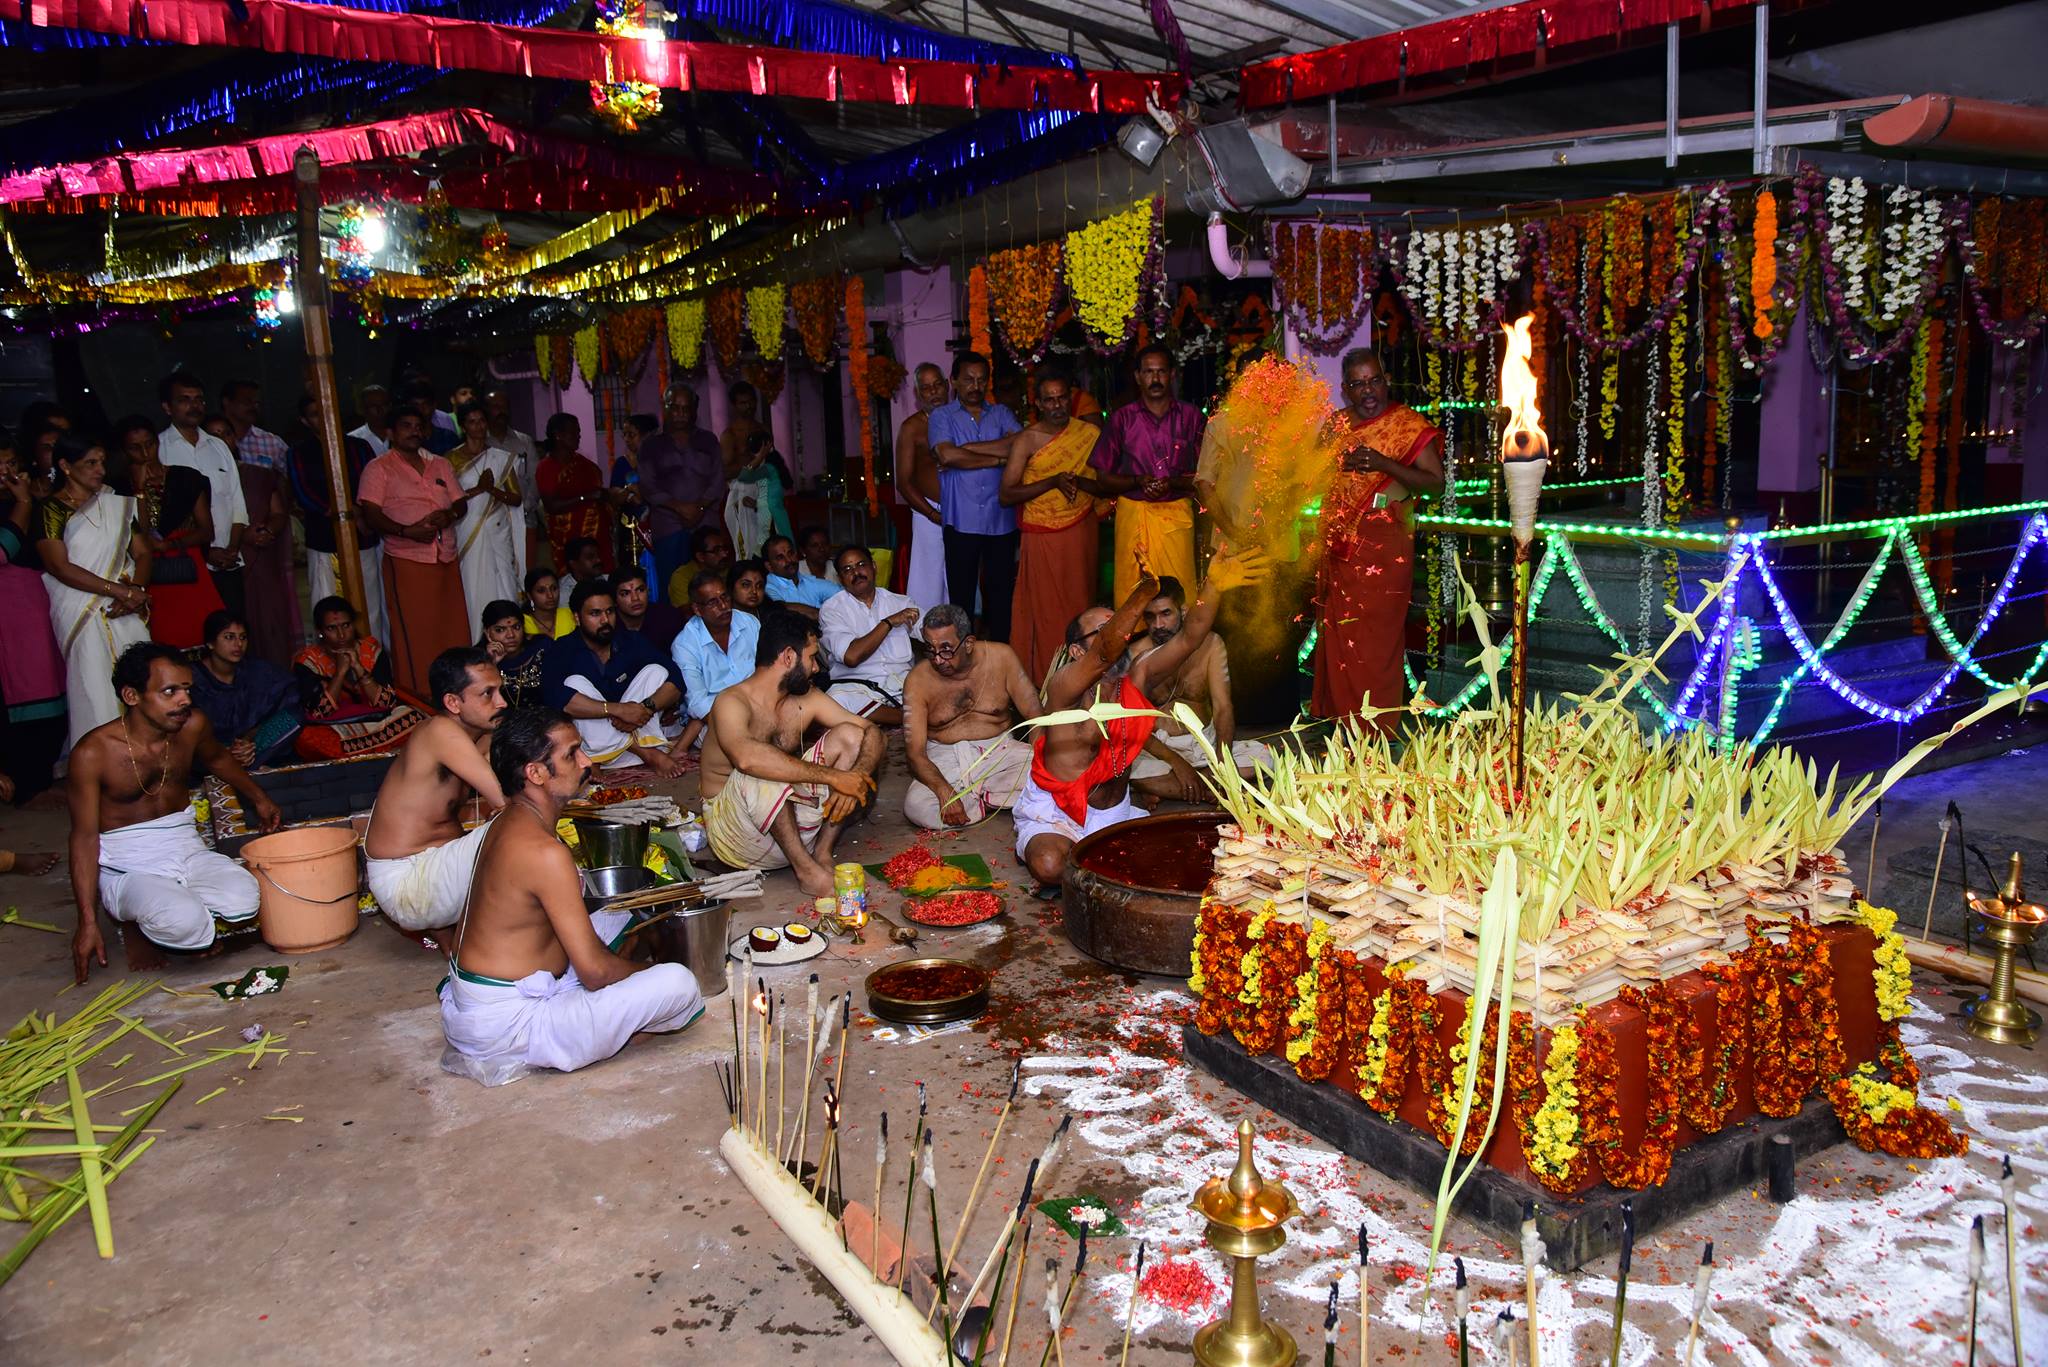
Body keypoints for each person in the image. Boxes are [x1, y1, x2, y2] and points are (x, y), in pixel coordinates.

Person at [438, 707, 702, 1082]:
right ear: (536, 773)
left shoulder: (504, 821)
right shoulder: (545, 853)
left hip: (477, 1001)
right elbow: (594, 972)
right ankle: (616, 1031)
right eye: (572, 754)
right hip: (508, 1025)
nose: (586, 762)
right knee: (678, 984)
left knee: (620, 915)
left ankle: (612, 1018)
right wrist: (647, 972)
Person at [1016, 549, 1264, 890]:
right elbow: (1103, 652)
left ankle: (1095, 867)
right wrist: (1144, 590)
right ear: (1076, 651)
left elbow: (1191, 636)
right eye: (1105, 630)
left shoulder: (1136, 677)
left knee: (1184, 863)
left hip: (1112, 816)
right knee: (1049, 863)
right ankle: (1092, 865)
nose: (1121, 636)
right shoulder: (1063, 690)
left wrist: (1214, 587)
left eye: (1122, 627)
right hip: (1056, 815)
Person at [66, 643, 281, 982]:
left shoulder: (191, 725)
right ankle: (137, 924)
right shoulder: (93, 753)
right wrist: (87, 923)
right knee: (181, 922)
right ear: (132, 695)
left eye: (186, 689)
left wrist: (259, 797)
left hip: (185, 849)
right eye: (170, 691)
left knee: (244, 901)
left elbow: (216, 758)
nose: (184, 700)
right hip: (127, 866)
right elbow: (84, 836)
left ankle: (192, 925)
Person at [701, 610, 883, 895]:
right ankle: (807, 872)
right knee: (760, 762)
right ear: (788, 656)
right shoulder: (731, 702)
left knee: (852, 736)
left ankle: (821, 852)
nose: (816, 669)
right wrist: (835, 778)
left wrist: (855, 777)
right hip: (738, 841)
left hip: (789, 830)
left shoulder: (806, 697)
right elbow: (747, 759)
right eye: (811, 657)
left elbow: (872, 731)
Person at [1313, 347, 1445, 727]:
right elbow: (1312, 476)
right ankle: (1342, 723)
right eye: (1358, 384)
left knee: (1377, 641)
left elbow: (1436, 485)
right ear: (1346, 389)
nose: (1368, 391)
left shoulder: (1407, 424)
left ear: (1385, 382)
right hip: (1341, 545)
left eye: (1374, 381)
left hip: (1386, 548)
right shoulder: (1337, 426)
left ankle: (1378, 727)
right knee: (1340, 636)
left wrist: (1384, 463)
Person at [363, 646, 509, 936]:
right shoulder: (438, 731)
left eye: (500, 691)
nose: (502, 702)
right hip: (407, 882)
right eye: (487, 694)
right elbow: (506, 802)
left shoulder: (478, 736)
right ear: (453, 702)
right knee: (521, 825)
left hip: (427, 875)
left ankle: (455, 943)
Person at [37, 434, 154, 748]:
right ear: (65, 466)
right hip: (83, 611)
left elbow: (142, 553)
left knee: (142, 678)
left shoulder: (115, 504)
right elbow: (59, 566)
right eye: (89, 463)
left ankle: (151, 757)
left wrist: (135, 591)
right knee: (93, 685)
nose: (99, 469)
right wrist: (118, 591)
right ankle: (103, 764)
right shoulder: (51, 509)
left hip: (126, 609)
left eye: (101, 462)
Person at [358, 410, 475, 698]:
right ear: (390, 432)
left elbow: (461, 504)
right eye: (405, 425)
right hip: (407, 558)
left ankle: (458, 691)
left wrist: (448, 516)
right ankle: (419, 696)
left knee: (453, 627)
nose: (413, 431)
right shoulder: (379, 467)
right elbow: (370, 513)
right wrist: (404, 531)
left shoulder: (440, 464)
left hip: (445, 556)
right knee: (416, 633)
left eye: (417, 426)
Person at [1125, 578, 1272, 804]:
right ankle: (1210, 788)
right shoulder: (1136, 655)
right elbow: (1132, 723)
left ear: (1183, 611)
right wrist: (1177, 762)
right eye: (1150, 617)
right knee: (1122, 767)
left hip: (1204, 744)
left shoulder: (1211, 644)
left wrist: (1224, 761)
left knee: (1264, 758)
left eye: (1166, 614)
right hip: (1159, 750)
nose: (1158, 625)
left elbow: (1223, 707)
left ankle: (1177, 787)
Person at [999, 369, 1102, 682]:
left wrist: (1078, 483)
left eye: (1062, 398)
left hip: (1081, 528)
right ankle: (1050, 683)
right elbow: (1006, 494)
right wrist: (1052, 482)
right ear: (1038, 403)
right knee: (1047, 614)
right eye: (1050, 400)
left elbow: (1106, 482)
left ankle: (1086, 678)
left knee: (1081, 603)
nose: (1057, 405)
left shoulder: (1088, 433)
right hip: (1042, 535)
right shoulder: (1027, 439)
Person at [901, 603, 1039, 829]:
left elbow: (1035, 715)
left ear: (968, 643)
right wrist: (943, 791)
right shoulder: (918, 680)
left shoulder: (1002, 657)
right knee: (918, 807)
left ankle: (976, 800)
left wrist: (1042, 765)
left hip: (1001, 752)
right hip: (945, 759)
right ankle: (995, 799)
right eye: (930, 649)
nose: (937, 659)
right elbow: (915, 754)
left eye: (946, 649)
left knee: (1055, 778)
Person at [1088, 344, 1206, 605]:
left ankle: (1179, 645)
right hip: (1134, 516)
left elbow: (1205, 475)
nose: (1155, 379)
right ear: (1138, 376)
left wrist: (1171, 483)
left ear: (1172, 374)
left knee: (1180, 595)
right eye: (1149, 372)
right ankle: (1134, 645)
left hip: (1175, 517)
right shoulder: (1122, 420)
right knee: (1133, 596)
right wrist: (1136, 481)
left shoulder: (1192, 418)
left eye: (1161, 372)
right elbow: (1102, 477)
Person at [540, 577, 688, 776]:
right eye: (595, 614)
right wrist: (616, 710)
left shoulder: (630, 640)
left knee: (657, 671)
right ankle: (644, 752)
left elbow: (676, 679)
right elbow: (555, 698)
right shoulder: (562, 649)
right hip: (590, 741)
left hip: (634, 727)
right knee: (573, 683)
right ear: (576, 618)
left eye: (609, 612)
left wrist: (644, 708)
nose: (604, 620)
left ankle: (620, 751)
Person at [107, 415, 224, 652]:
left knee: (203, 636)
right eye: (135, 448)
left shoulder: (186, 478)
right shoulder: (116, 488)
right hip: (146, 571)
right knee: (162, 640)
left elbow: (206, 531)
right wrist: (139, 490)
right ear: (124, 451)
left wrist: (169, 546)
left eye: (149, 444)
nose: (144, 452)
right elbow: (133, 531)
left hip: (186, 565)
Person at [930, 351, 1023, 642]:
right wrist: (998, 458)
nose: (975, 386)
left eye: (982, 380)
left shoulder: (1002, 413)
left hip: (1001, 520)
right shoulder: (941, 416)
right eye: (968, 379)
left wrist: (969, 448)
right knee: (962, 599)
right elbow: (946, 453)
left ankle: (1001, 656)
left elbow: (1021, 446)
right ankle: (963, 658)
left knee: (1001, 595)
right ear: (954, 381)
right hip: (961, 521)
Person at [289, 395, 389, 647]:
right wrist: (342, 511)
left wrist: (359, 512)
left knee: (369, 603)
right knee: (325, 602)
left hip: (362, 537)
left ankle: (371, 659)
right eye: (314, 414)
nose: (322, 419)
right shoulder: (299, 452)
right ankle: (331, 666)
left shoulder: (359, 447)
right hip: (323, 538)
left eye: (327, 411)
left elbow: (373, 487)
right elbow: (302, 493)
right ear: (304, 420)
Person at [0, 440, 67, 803]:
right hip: (11, 618)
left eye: (12, 462)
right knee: (23, 697)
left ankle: (40, 780)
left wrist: (33, 501)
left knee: (51, 695)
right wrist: (24, 504)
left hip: (40, 606)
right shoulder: (18, 506)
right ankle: (27, 785)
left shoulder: (37, 499)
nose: (8, 473)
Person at [157, 370, 249, 615]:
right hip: (185, 562)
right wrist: (208, 553)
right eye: (184, 399)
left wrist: (231, 549)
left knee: (233, 634)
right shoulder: (159, 449)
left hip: (228, 562)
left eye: (198, 399)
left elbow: (237, 504)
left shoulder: (218, 446)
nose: (194, 406)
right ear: (167, 407)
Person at [292, 595, 426, 760]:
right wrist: (340, 672)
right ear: (320, 632)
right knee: (306, 737)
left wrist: (358, 668)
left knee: (414, 716)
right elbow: (319, 713)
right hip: (337, 729)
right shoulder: (308, 661)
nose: (341, 635)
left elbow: (387, 703)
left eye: (346, 626)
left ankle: (358, 753)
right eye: (331, 628)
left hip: (375, 723)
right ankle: (379, 749)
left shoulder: (370, 650)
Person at [633, 384, 726, 594]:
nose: (681, 414)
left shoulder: (708, 440)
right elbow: (648, 486)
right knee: (673, 586)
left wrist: (699, 508)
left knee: (711, 585)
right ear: (665, 408)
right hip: (669, 526)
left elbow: (718, 480)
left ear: (694, 411)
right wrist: (679, 507)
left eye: (686, 408)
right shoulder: (650, 445)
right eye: (675, 408)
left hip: (706, 526)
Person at [818, 544, 921, 725]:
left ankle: (898, 715)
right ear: (840, 578)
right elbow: (851, 657)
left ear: (874, 567)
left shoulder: (901, 602)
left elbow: (931, 628)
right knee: (834, 700)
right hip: (859, 690)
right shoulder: (832, 610)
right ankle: (910, 718)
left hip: (904, 685)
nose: (856, 572)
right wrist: (888, 623)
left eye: (861, 565)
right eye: (848, 569)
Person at [190, 609, 301, 768]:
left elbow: (289, 695)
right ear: (210, 643)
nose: (238, 644)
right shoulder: (192, 678)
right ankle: (237, 767)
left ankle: (249, 764)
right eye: (229, 637)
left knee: (293, 717)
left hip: (252, 746)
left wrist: (248, 740)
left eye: (243, 637)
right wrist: (227, 751)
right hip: (212, 751)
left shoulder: (257, 670)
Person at [230, 425, 301, 668]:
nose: (220, 440)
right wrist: (241, 536)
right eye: (213, 435)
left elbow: (278, 512)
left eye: (225, 433)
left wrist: (267, 531)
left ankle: (279, 679)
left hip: (262, 555)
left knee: (271, 619)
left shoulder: (257, 474)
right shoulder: (204, 478)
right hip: (228, 559)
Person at [448, 399, 524, 625]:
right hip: (468, 531)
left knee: (505, 584)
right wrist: (478, 489)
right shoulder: (450, 459)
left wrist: (491, 490)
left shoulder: (500, 457)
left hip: (498, 531)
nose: (478, 426)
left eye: (481, 421)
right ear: (463, 426)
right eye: (472, 422)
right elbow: (448, 500)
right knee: (474, 587)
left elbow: (516, 497)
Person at [671, 569, 758, 752]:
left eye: (725, 597)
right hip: (715, 719)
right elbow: (697, 702)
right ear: (697, 609)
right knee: (738, 742)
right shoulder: (685, 644)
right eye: (713, 602)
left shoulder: (749, 623)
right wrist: (738, 720)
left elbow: (769, 669)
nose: (723, 605)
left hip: (761, 707)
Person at [894, 362, 952, 610]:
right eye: (926, 388)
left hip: (961, 510)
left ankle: (961, 633)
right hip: (929, 512)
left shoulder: (960, 419)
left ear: (947, 386)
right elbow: (903, 482)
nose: (934, 392)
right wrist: (932, 514)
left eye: (938, 384)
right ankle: (925, 639)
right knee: (928, 582)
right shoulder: (912, 427)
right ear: (918, 395)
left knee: (960, 577)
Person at [537, 413, 611, 575]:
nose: (578, 436)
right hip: (570, 538)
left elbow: (598, 492)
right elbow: (551, 506)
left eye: (579, 431)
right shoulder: (547, 467)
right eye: (573, 432)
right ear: (558, 435)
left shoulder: (585, 464)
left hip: (598, 536)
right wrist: (586, 497)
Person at [482, 388, 540, 584]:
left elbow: (535, 479)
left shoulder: (523, 442)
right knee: (500, 578)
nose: (501, 411)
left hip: (524, 520)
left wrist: (523, 510)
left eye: (504, 407)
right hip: (492, 524)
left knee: (526, 576)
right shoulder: (480, 443)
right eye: (495, 407)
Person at [725, 427, 791, 560]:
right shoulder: (765, 468)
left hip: (769, 521)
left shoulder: (769, 467)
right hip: (762, 519)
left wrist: (761, 455)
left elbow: (745, 476)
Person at [478, 599, 548, 709]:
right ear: (488, 633)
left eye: (516, 627)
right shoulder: (476, 661)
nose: (510, 635)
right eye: (500, 630)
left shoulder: (541, 648)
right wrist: (491, 664)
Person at [612, 562, 686, 656]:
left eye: (640, 590)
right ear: (614, 600)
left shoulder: (669, 617)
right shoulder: (608, 625)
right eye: (625, 593)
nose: (635, 598)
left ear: (648, 591)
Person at [758, 533, 839, 618]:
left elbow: (844, 596)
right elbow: (781, 608)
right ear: (769, 566)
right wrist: (825, 616)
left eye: (790, 553)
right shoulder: (766, 587)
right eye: (780, 557)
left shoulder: (810, 582)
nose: (789, 560)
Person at [220, 379, 290, 473]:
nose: (253, 407)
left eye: (257, 403)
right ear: (227, 402)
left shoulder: (272, 443)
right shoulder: (210, 438)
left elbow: (290, 478)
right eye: (247, 402)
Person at [666, 525, 737, 607]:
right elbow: (686, 614)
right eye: (716, 550)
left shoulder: (727, 570)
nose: (724, 554)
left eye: (724, 548)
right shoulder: (682, 577)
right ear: (701, 557)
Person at [719, 380, 766, 477]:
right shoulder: (730, 435)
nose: (748, 406)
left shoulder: (764, 429)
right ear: (734, 406)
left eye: (751, 401)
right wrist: (752, 466)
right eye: (743, 403)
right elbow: (725, 471)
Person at [523, 566, 572, 639]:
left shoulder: (570, 615)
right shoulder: (522, 623)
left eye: (554, 588)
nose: (550, 595)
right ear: (530, 596)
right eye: (541, 591)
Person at [557, 536, 607, 608]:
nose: (598, 560)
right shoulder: (561, 593)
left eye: (598, 555)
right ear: (573, 564)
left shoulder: (609, 580)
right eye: (590, 557)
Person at [348, 383, 393, 457]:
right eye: (373, 406)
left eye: (384, 405)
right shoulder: (353, 440)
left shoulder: (401, 436)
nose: (380, 410)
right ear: (363, 409)